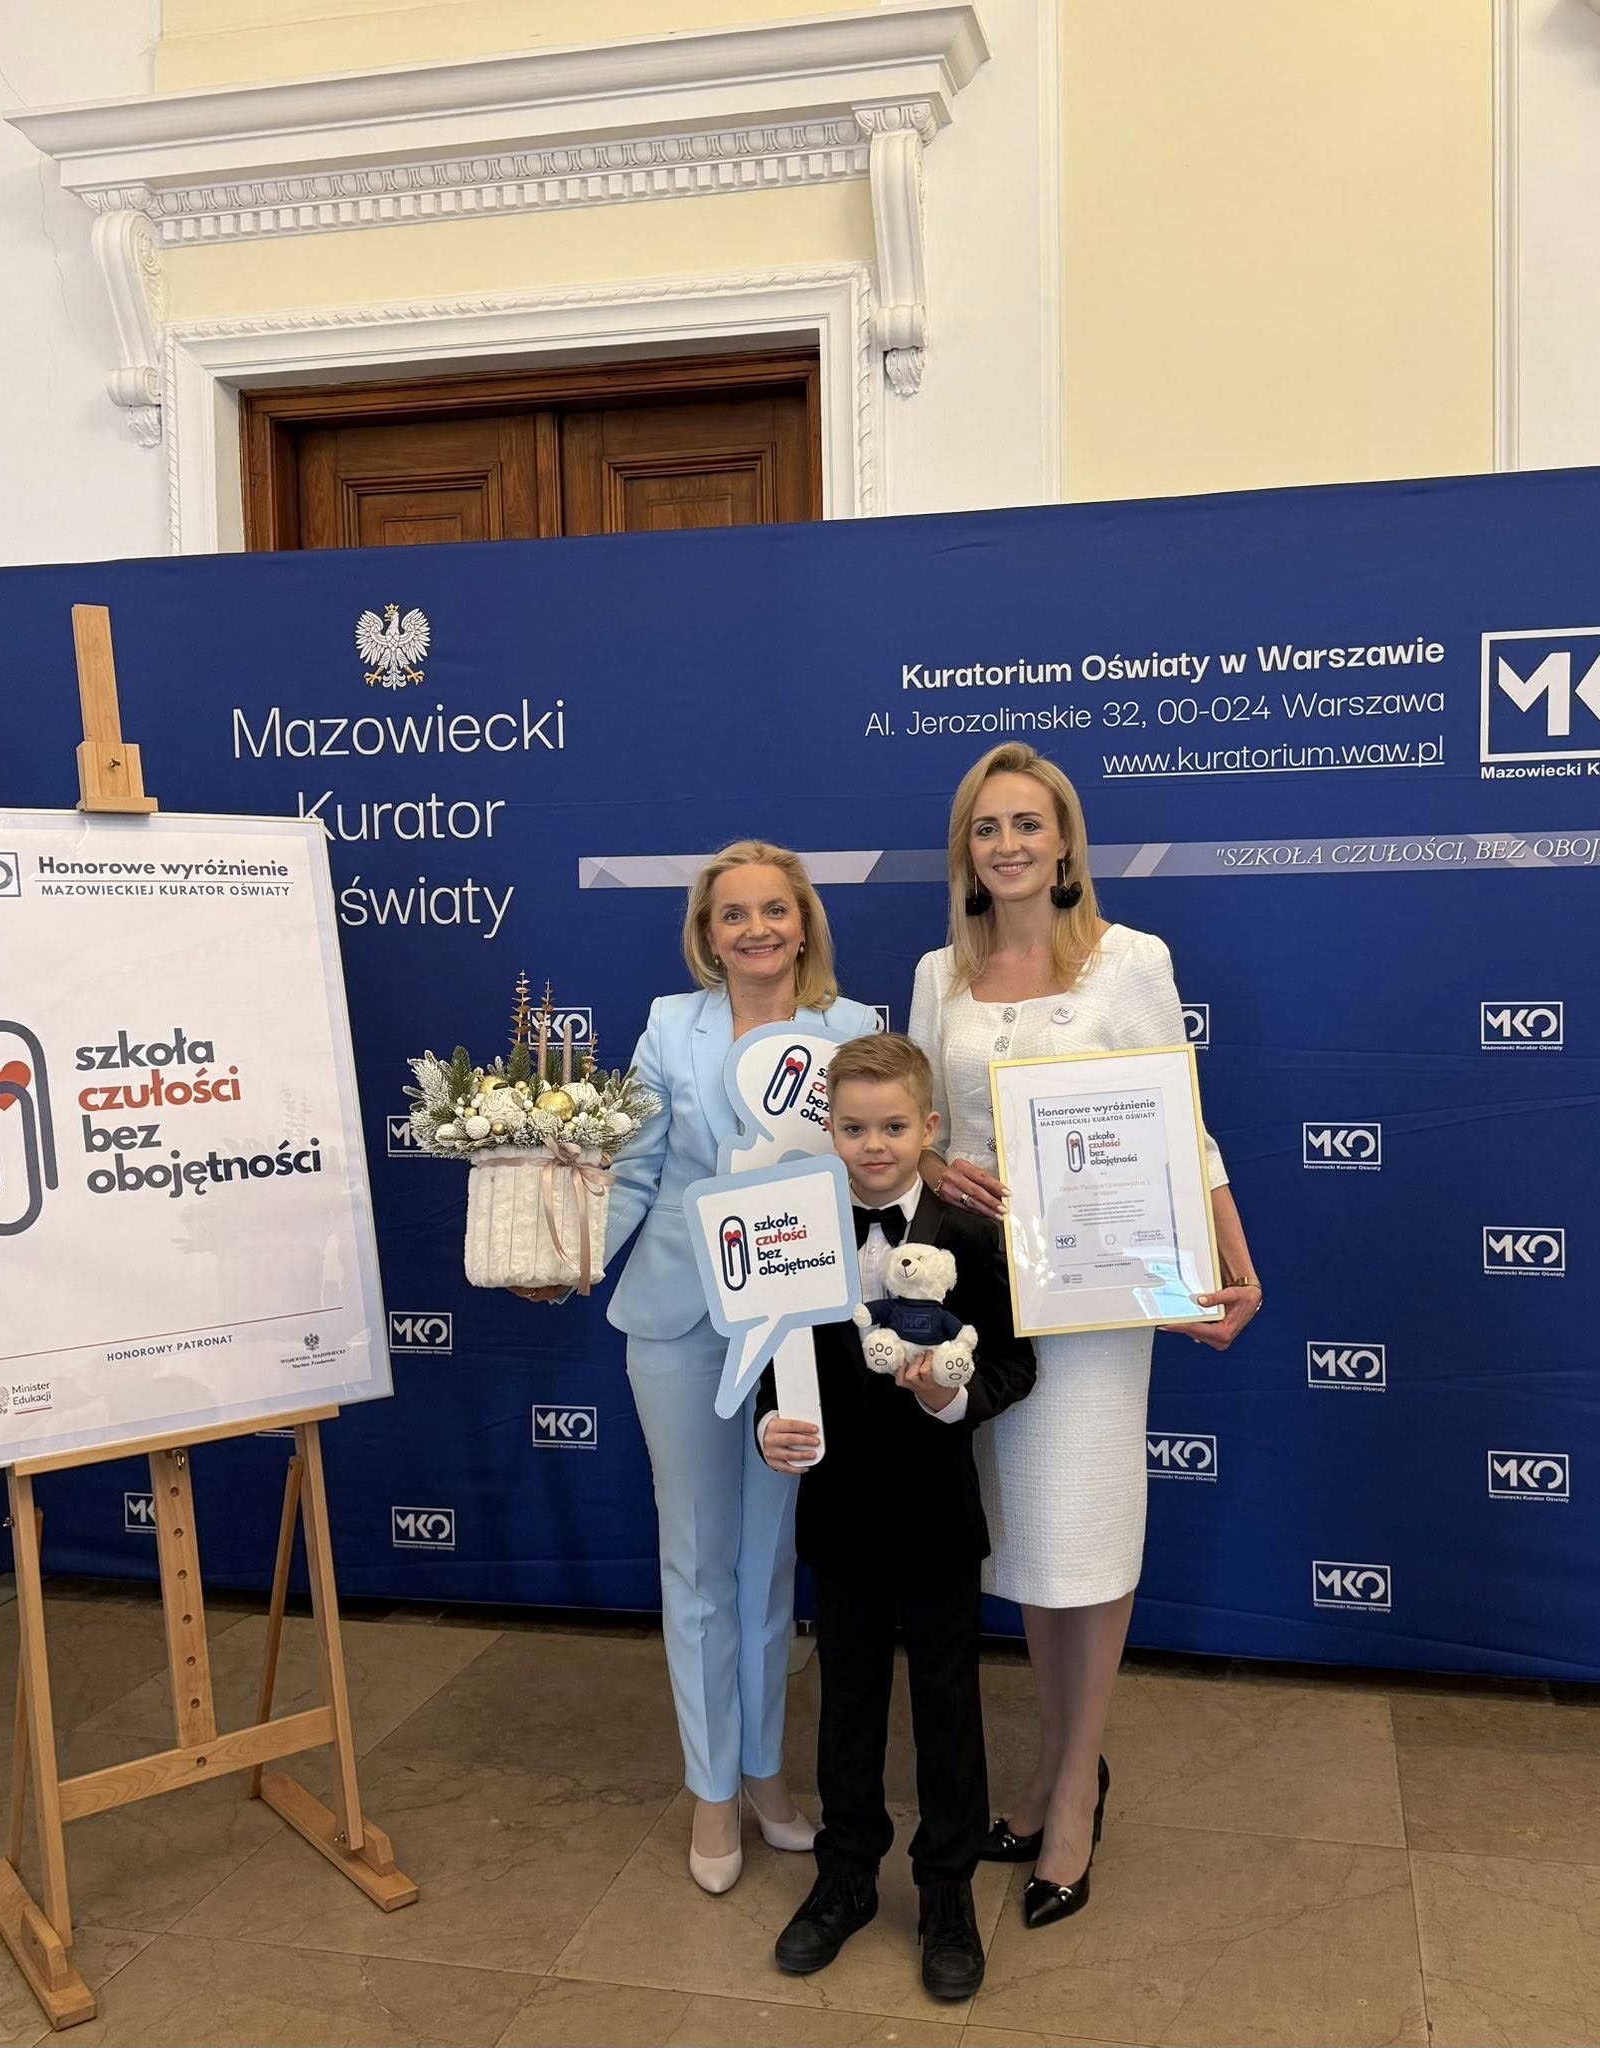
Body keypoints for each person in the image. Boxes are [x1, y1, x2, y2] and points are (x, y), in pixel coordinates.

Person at [907, 743, 1262, 1928]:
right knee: (1028, 1546)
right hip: (984, 1289)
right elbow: (918, 1128)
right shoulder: (938, 974)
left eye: (1027, 823)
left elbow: (1181, 1120)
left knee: (1088, 1535)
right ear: (966, 852)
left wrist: (1231, 1256)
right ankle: (1060, 1765)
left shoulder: (1129, 960)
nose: (1007, 844)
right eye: (986, 827)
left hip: (1101, 1294)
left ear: (1063, 842)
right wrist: (933, 1164)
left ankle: (1069, 1794)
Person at [516, 841, 881, 1895]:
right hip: (679, 1322)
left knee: (769, 1566)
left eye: (774, 909)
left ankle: (766, 1775)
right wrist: (570, 1260)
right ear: (707, 934)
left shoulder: (853, 1030)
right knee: (696, 1560)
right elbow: (635, 1171)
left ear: (803, 925)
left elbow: (874, 1171)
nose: (756, 928)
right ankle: (711, 1789)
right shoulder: (670, 1026)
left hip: (797, 1327)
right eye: (733, 914)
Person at [757, 1033, 1035, 2000]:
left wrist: (950, 1400)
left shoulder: (971, 1237)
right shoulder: (797, 1231)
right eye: (852, 1128)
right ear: (829, 1131)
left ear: (929, 1128)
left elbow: (1016, 1363)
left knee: (949, 1697)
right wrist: (770, 1426)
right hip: (839, 1508)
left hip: (937, 1511)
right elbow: (773, 1356)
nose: (872, 1146)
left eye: (892, 1127)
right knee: (847, 1696)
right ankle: (845, 1874)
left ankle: (947, 1886)